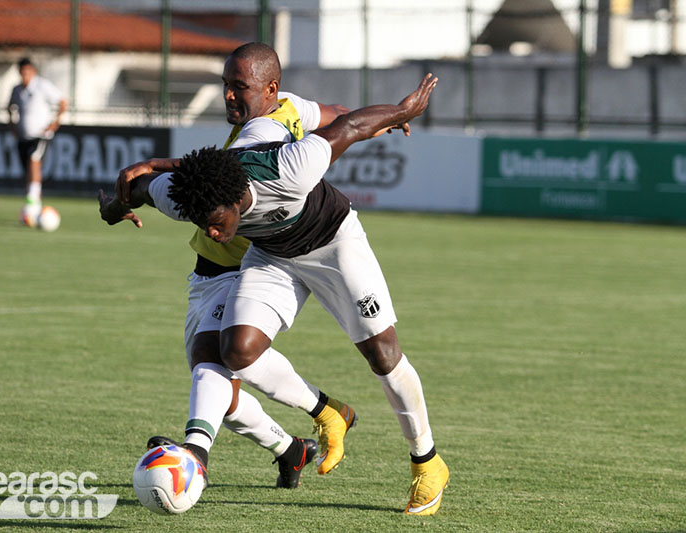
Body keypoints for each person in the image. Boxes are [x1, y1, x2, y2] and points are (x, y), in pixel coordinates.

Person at [104, 73, 449, 515]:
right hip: (271, 256)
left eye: (216, 220)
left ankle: (427, 462)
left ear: (235, 198)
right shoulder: (187, 196)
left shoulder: (291, 166)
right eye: (201, 223)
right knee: (237, 349)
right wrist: (115, 205)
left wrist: (405, 110)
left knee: (382, 352)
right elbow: (138, 188)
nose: (211, 231)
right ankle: (328, 412)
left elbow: (350, 127)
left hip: (333, 244)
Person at [100, 43, 357, 489]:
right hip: (205, 274)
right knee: (222, 391)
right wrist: (387, 120)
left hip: (245, 268)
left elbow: (214, 170)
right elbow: (336, 112)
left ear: (268, 88)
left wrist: (144, 176)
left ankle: (194, 454)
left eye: (239, 87)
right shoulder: (291, 107)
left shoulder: (267, 134)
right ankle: (291, 449)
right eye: (225, 86)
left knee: (212, 360)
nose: (228, 96)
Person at [7, 57, 68, 215]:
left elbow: (62, 102)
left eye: (27, 72)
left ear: (33, 71)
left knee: (34, 161)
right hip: (23, 137)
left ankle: (32, 200)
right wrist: (12, 125)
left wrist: (56, 122)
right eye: (22, 73)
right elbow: (9, 107)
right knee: (27, 169)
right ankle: (34, 205)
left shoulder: (42, 85)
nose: (25, 75)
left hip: (41, 134)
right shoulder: (17, 90)